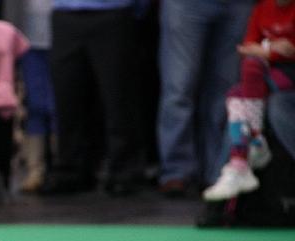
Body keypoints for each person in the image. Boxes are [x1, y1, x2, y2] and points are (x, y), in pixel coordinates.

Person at [40, 0, 143, 196]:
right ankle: (70, 170)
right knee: (67, 95)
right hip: (66, 15)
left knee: (118, 96)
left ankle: (123, 172)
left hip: (114, 14)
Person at [156, 0, 255, 197]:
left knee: (226, 93)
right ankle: (177, 172)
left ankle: (217, 171)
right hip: (187, 5)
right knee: (179, 88)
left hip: (238, 5)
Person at [203, 0, 295, 202]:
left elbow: (289, 50)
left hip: (289, 76)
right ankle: (247, 150)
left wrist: (265, 50)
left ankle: (245, 154)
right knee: (242, 87)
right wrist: (272, 49)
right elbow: (245, 48)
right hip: (272, 75)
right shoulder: (262, 8)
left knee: (242, 93)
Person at [3, 0, 55, 193]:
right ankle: (35, 170)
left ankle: (60, 167)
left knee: (59, 107)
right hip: (28, 41)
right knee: (35, 105)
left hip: (66, 32)